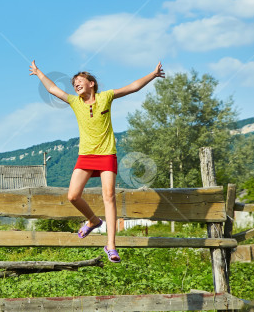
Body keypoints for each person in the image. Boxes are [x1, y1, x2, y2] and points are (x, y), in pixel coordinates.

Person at [29, 60, 164, 263]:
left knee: (108, 195)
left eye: (79, 80)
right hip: (86, 155)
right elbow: (53, 89)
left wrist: (152, 75)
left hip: (107, 154)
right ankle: (93, 220)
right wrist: (39, 72)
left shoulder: (106, 98)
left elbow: (132, 87)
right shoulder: (75, 102)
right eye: (74, 83)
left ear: (91, 83)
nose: (76, 84)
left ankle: (111, 245)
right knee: (73, 196)